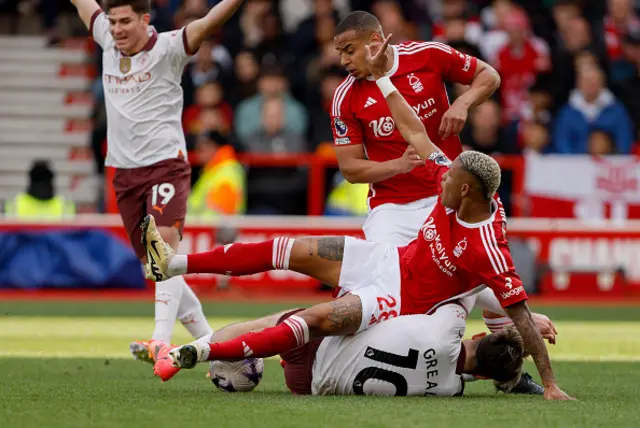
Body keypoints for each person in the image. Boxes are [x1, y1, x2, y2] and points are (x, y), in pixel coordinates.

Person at [142, 39, 573, 399]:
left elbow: (512, 309)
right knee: (291, 249)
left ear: (464, 190)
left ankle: (194, 351)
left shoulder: (485, 254)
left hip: (394, 297)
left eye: (449, 175)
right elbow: (418, 134)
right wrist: (385, 79)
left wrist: (548, 377)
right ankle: (175, 263)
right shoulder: (455, 194)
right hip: (388, 258)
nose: (439, 172)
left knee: (310, 318)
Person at [329, 10, 537, 392]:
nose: (343, 61)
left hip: (447, 198)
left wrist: (463, 104)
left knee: (491, 279)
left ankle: (511, 376)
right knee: (382, 291)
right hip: (391, 209)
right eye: (340, 52)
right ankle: (350, 355)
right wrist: (396, 165)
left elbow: (489, 75)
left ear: (375, 41)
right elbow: (351, 169)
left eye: (349, 50)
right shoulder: (346, 96)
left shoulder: (426, 55)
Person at [69, 0, 245, 368]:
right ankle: (218, 351)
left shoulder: (169, 47)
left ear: (145, 20)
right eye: (113, 21)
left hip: (166, 165)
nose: (116, 29)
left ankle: (160, 342)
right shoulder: (105, 38)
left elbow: (210, 20)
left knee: (163, 251)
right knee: (156, 267)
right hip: (125, 174)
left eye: (124, 21)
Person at [192, 293, 558, 396]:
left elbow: (472, 285)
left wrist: (527, 321)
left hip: (315, 347)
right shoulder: (448, 388)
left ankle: (198, 347)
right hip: (307, 386)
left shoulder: (450, 327)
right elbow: (474, 374)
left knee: (272, 323)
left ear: (478, 335)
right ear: (481, 375)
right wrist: (510, 370)